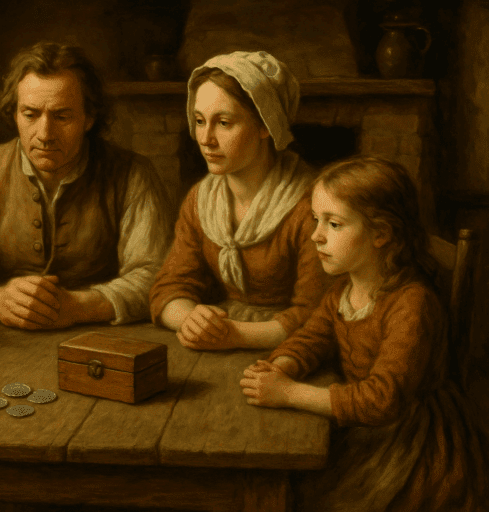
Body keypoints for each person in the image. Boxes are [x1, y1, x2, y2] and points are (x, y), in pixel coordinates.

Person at [239, 156, 488, 511]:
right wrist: (280, 367)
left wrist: (290, 393)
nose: (316, 235)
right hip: (362, 424)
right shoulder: (341, 293)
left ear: (381, 234)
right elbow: (311, 339)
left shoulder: (412, 303)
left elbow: (383, 400)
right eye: (315, 220)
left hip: (414, 444)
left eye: (334, 224)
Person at [0, 42, 173, 330]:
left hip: (102, 336)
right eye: (30, 114)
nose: (45, 134)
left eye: (62, 116)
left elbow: (158, 275)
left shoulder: (133, 174)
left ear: (89, 118)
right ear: (14, 114)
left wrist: (80, 306)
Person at [149, 51, 327, 350]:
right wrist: (190, 319)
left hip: (290, 348)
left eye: (223, 123)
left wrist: (235, 335)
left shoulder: (312, 204)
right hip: (220, 336)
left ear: (265, 125)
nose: (206, 139)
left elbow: (318, 314)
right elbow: (169, 287)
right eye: (200, 121)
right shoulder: (202, 199)